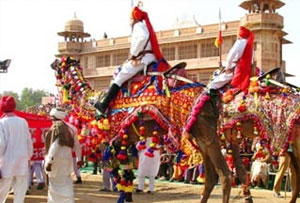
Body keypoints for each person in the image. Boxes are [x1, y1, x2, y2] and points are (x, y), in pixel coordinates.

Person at [94, 5, 169, 117]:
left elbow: (143, 38)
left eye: (130, 19)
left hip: (142, 59)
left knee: (119, 77)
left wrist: (134, 53)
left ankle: (104, 104)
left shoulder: (138, 25)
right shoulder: (143, 26)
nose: (129, 22)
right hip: (148, 58)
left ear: (134, 19)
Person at [0, 96, 33, 203]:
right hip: (22, 160)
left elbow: (1, 144)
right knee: (20, 190)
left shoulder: (2, 123)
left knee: (2, 190)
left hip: (6, 161)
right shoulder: (23, 122)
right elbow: (29, 142)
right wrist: (28, 157)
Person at [44, 108, 82, 203]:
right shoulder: (72, 128)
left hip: (54, 161)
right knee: (66, 182)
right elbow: (77, 145)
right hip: (67, 160)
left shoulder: (56, 128)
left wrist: (49, 161)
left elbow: (54, 146)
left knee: (54, 185)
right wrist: (79, 159)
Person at [207, 26, 254, 94]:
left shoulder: (240, 42)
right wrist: (223, 63)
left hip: (237, 70)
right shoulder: (250, 44)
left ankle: (213, 101)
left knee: (213, 84)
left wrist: (227, 67)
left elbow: (231, 55)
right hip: (249, 69)